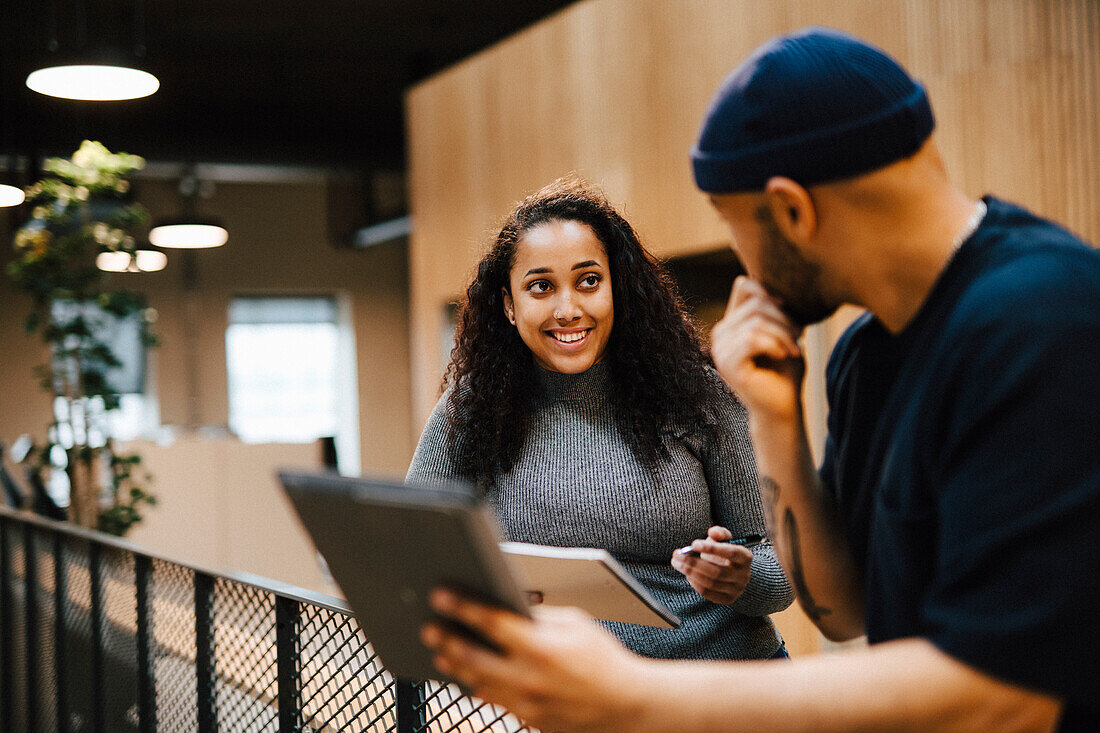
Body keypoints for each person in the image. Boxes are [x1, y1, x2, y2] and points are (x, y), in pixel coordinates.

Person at [418, 27, 1100, 732]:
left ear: (793, 210)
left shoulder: (1046, 320)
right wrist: (776, 420)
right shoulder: (867, 352)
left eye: (732, 223)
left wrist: (633, 696)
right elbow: (843, 610)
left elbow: (1006, 694)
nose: (742, 261)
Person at [407, 177, 794, 661]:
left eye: (588, 280)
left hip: (720, 681)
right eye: (541, 287)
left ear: (617, 289)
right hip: (570, 692)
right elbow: (416, 553)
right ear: (509, 305)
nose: (568, 310)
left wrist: (743, 574)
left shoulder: (696, 394)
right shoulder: (472, 409)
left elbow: (782, 573)